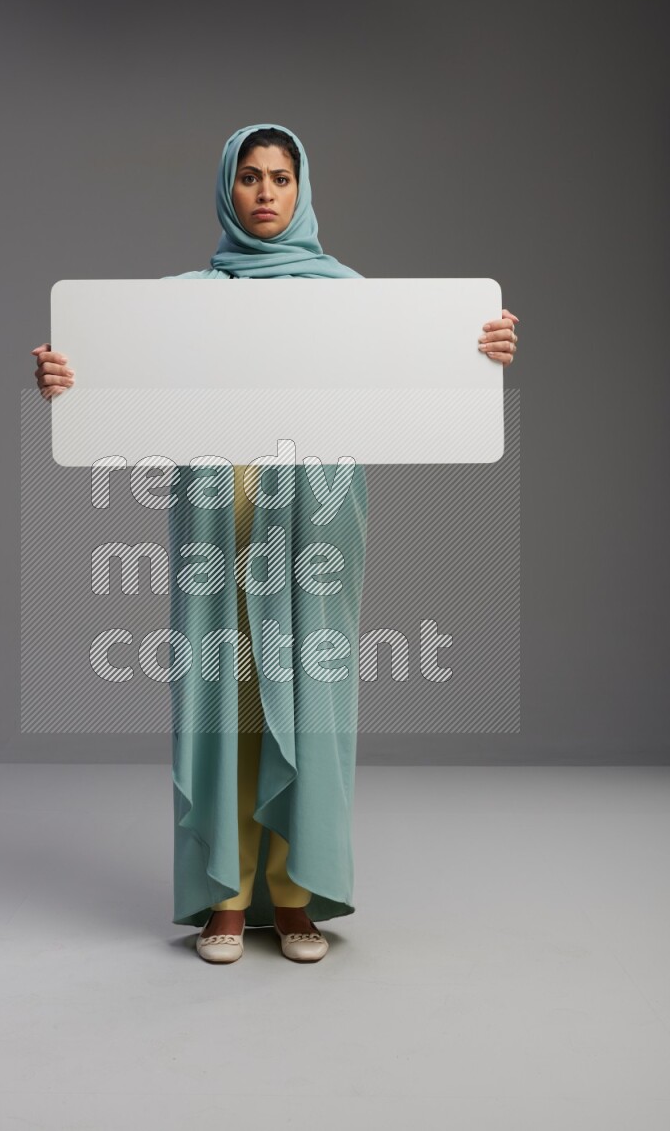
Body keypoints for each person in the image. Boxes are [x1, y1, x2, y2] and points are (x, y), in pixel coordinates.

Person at [31, 122, 519, 965]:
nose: (265, 192)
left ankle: (297, 898)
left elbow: (415, 385)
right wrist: (64, 379)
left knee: (309, 700)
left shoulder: (351, 296)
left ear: (302, 190)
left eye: (281, 178)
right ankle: (224, 893)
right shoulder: (179, 298)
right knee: (228, 702)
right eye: (251, 177)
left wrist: (477, 351)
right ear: (228, 188)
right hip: (218, 518)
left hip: (318, 519)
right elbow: (113, 386)